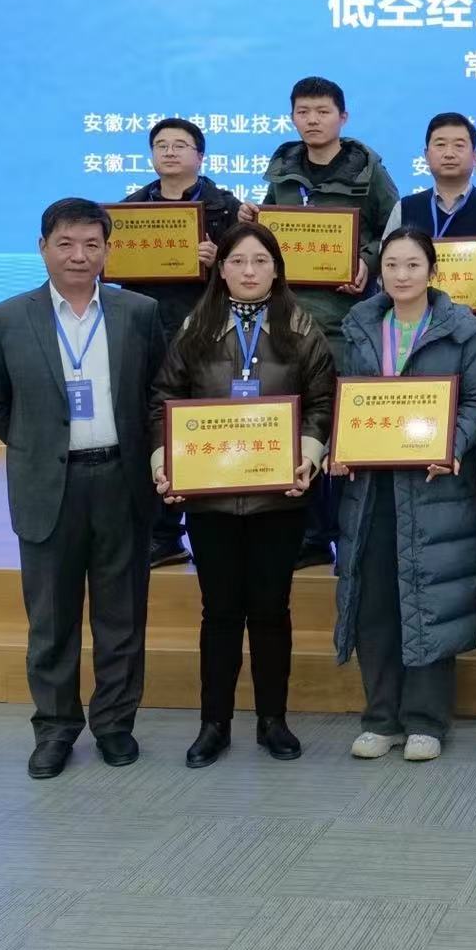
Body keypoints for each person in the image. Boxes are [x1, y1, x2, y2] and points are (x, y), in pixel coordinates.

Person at [0, 198, 165, 780]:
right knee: (51, 621)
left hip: (121, 481)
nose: (79, 255)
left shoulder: (138, 312)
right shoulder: (8, 318)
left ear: (107, 250)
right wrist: (38, 446)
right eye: (66, 244)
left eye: (91, 244)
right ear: (43, 248)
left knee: (121, 617)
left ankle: (114, 724)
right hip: (47, 487)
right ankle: (54, 730)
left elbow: (157, 394)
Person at [148, 223, 337, 768]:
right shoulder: (195, 326)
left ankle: (273, 721)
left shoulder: (302, 327)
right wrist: (166, 463)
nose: (249, 271)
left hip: (279, 496)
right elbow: (164, 398)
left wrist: (308, 457)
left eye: (260, 261)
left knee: (272, 610)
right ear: (220, 268)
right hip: (211, 498)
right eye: (237, 261)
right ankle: (215, 724)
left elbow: (323, 401)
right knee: (220, 612)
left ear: (277, 268)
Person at [330, 227, 476, 764]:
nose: (401, 275)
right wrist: (339, 446)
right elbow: (342, 401)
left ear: (432, 272)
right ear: (379, 272)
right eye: (392, 265)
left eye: (413, 265)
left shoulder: (460, 330)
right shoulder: (359, 326)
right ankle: (380, 717)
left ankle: (426, 719)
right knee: (375, 601)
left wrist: (454, 445)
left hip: (434, 487)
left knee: (430, 600)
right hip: (372, 489)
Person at [240, 75, 401, 570]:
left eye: (323, 111)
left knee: (343, 429)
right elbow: (271, 240)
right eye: (303, 112)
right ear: (292, 116)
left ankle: (347, 536)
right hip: (289, 320)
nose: (312, 120)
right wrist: (253, 224)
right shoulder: (282, 171)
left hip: (348, 321)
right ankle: (308, 535)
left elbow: (393, 231)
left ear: (342, 117)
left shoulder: (368, 171)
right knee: (296, 425)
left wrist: (367, 262)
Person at [121, 116, 242, 570]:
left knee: (205, 429)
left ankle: (211, 528)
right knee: (155, 428)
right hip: (146, 332)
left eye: (180, 145)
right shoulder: (129, 211)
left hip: (208, 333)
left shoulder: (227, 210)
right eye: (161, 145)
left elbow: (254, 271)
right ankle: (163, 534)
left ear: (200, 155)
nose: (169, 152)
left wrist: (220, 260)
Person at [383, 112, 476, 347]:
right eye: (440, 145)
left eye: (459, 145)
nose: (449, 153)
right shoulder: (405, 208)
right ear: (426, 155)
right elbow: (385, 267)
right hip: (411, 334)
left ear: (475, 156)